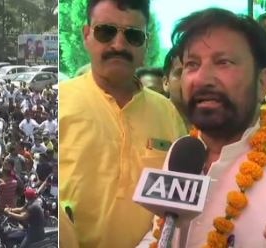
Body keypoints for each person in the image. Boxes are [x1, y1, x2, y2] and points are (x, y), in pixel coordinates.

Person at [138, 8, 266, 247]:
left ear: (262, 83)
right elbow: (159, 233)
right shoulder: (182, 152)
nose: (203, 78)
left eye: (223, 62)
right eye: (192, 64)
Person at [59, 0, 186, 247]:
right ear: (87, 35)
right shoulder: (62, 101)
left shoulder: (167, 112)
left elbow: (177, 206)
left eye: (133, 36)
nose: (119, 45)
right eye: (105, 32)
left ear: (145, 43)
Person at [162, 46, 190, 130]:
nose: (186, 80)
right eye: (179, 73)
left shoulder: (215, 122)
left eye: (192, 72)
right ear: (166, 82)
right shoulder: (152, 117)